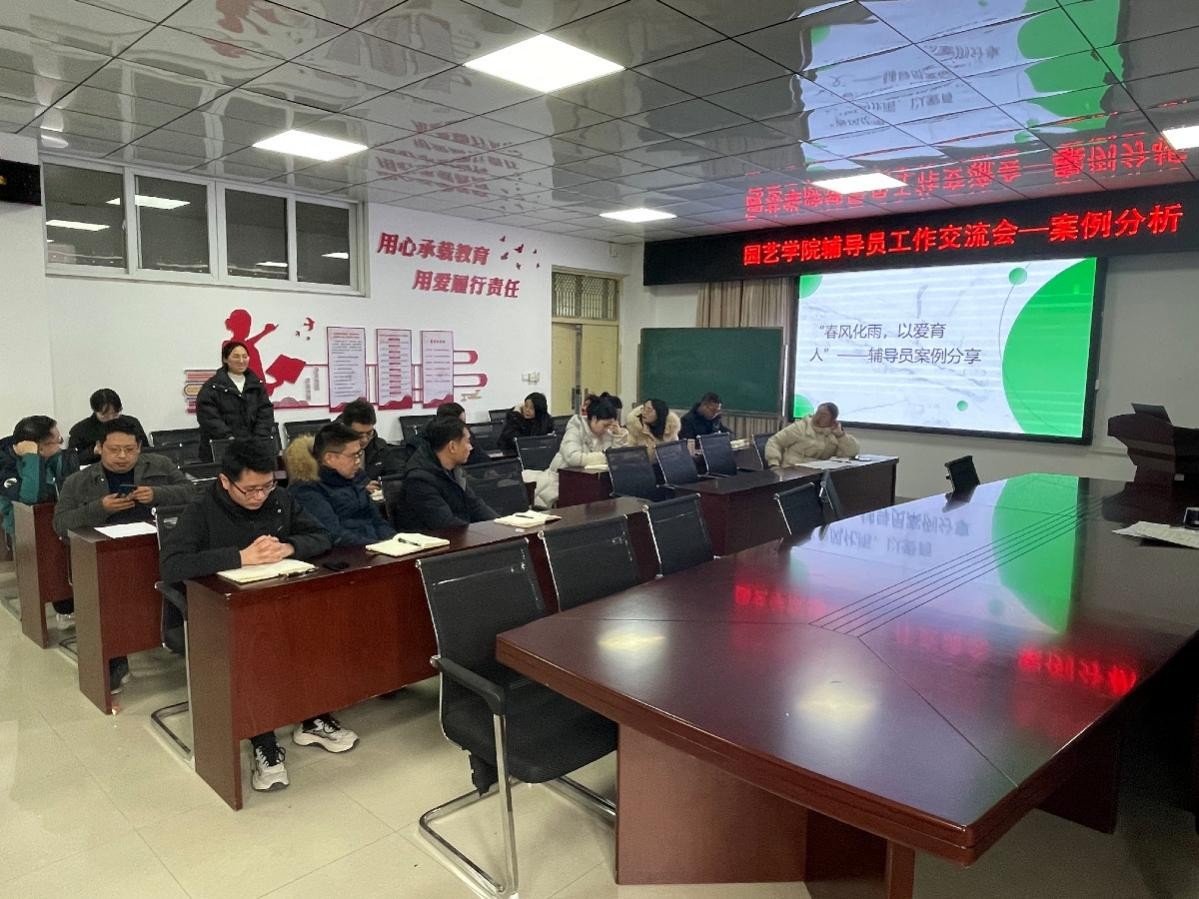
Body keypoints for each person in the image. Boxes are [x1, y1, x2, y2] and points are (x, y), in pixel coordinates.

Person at [159, 440, 353, 793]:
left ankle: (311, 717)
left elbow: (323, 535)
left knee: (321, 630)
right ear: (225, 481)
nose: (260, 496)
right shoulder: (200, 510)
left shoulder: (280, 499)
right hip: (220, 614)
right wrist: (239, 557)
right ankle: (263, 739)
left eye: (267, 486)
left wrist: (290, 546)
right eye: (250, 489)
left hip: (279, 601)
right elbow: (171, 565)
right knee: (257, 649)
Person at [53, 416, 194, 691]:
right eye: (114, 449)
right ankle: (115, 657)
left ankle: (180, 639)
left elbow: (192, 492)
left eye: (129, 450)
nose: (121, 456)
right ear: (99, 447)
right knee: (110, 601)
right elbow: (60, 524)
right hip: (107, 558)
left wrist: (157, 494)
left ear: (139, 447)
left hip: (158, 549)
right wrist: (99, 508)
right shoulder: (78, 481)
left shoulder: (160, 465)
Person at [0, 416, 80, 622]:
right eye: (57, 441)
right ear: (39, 447)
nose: (60, 446)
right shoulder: (4, 463)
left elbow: (67, 483)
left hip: (57, 517)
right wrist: (32, 458)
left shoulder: (51, 455)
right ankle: (57, 606)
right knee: (49, 569)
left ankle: (69, 603)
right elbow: (30, 498)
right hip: (24, 527)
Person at [290, 423, 396, 546]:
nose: (358, 461)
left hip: (374, 548)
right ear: (329, 458)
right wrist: (377, 546)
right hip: (349, 553)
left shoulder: (356, 479)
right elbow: (334, 535)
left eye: (359, 454)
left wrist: (395, 542)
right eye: (353, 455)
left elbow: (379, 522)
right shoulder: (307, 490)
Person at [393, 416, 496, 531]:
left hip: (458, 534)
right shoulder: (419, 480)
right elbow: (445, 524)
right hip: (434, 538)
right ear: (452, 447)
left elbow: (475, 505)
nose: (471, 447)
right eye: (467, 442)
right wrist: (479, 533)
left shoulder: (455, 470)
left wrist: (501, 524)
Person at [533, 396, 627, 509]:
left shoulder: (607, 432)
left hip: (592, 482)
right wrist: (605, 457)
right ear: (594, 419)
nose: (607, 429)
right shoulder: (575, 428)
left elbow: (617, 457)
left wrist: (618, 437)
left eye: (610, 425)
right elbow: (573, 457)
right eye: (605, 425)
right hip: (562, 480)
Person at [195, 340, 277, 460]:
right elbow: (208, 418)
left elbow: (265, 412)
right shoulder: (212, 386)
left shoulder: (256, 384)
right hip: (223, 450)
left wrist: (259, 437)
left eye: (245, 356)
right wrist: (229, 438)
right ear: (225, 359)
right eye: (236, 356)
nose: (241, 361)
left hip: (254, 449)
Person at [67, 388, 148, 466]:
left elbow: (147, 450)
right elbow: (71, 462)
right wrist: (93, 451)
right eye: (105, 415)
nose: (111, 418)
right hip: (95, 471)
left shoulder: (132, 423)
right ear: (95, 411)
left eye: (115, 414)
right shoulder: (80, 430)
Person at [765, 402, 860, 468]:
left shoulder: (834, 433)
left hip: (816, 471)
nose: (818, 416)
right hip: (792, 469)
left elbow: (852, 452)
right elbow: (775, 441)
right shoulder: (800, 427)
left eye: (824, 415)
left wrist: (840, 436)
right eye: (818, 412)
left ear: (832, 420)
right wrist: (774, 464)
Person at [335, 398, 401, 485]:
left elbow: (395, 476)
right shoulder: (331, 449)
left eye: (369, 433)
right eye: (358, 434)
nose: (365, 440)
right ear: (345, 429)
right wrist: (361, 487)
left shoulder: (380, 447)